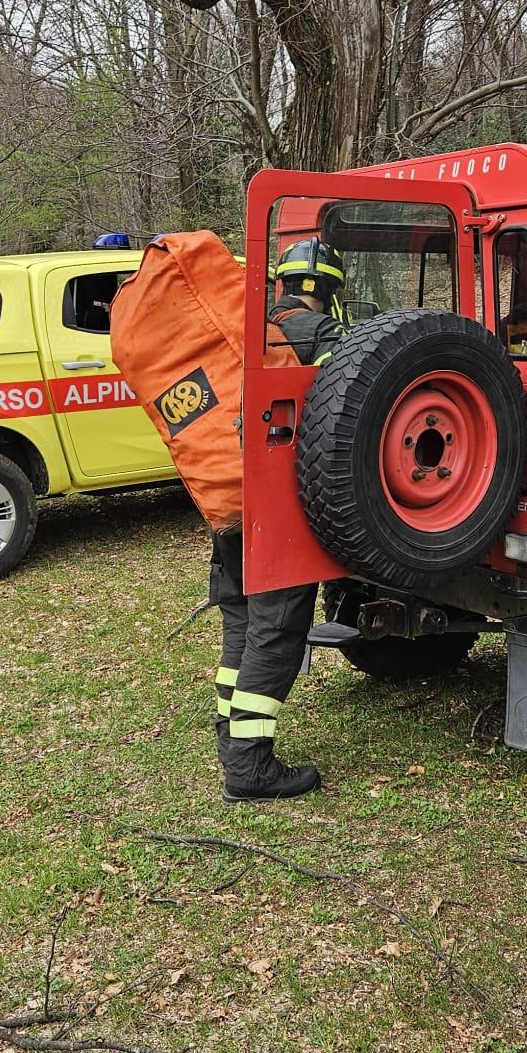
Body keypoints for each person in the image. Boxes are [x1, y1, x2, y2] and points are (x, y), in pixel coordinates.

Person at [209, 239, 350, 801]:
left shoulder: (245, 329)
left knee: (240, 619)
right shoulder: (321, 337)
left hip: (230, 503)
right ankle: (249, 768)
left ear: (282, 285)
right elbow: (347, 410)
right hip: (280, 506)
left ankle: (229, 737)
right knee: (277, 627)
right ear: (331, 291)